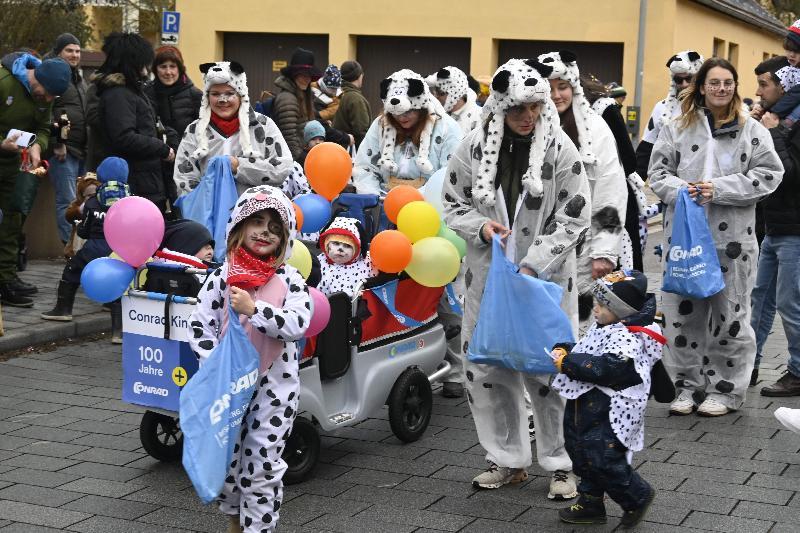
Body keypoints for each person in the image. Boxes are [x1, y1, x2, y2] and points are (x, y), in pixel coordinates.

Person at [442, 58, 591, 499]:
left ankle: (562, 463)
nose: (527, 118)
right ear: (499, 109)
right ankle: (505, 459)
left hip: (543, 281)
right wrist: (481, 227)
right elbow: (452, 204)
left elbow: (575, 213)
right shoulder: (471, 148)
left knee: (550, 369)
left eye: (534, 108)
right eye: (517, 110)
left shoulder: (561, 149)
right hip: (487, 278)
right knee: (487, 369)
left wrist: (535, 261)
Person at [649, 57, 784, 417]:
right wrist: (685, 190)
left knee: (731, 316)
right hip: (684, 241)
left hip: (734, 242)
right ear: (702, 86)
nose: (721, 89)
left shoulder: (752, 130)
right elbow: (657, 173)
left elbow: (771, 173)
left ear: (735, 86)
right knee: (681, 314)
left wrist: (718, 189)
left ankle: (724, 389)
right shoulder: (676, 126)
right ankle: (686, 386)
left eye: (728, 82)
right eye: (715, 82)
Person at [188, 185, 311, 533]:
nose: (264, 232)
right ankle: (234, 522)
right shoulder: (221, 277)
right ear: (238, 227)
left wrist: (256, 310)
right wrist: (215, 366)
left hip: (274, 390)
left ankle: (259, 528)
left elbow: (298, 323)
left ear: (285, 238)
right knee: (227, 464)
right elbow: (200, 325)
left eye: (274, 227)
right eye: (256, 221)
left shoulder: (289, 279)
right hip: (227, 389)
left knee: (262, 466)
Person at [551, 270, 660, 528]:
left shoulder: (627, 336)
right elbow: (588, 348)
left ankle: (637, 496)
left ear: (622, 310)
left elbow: (607, 367)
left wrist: (568, 363)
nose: (596, 309)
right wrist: (567, 349)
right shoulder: (606, 325)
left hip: (608, 409)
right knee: (581, 451)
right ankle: (590, 502)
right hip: (586, 404)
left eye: (602, 305)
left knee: (602, 456)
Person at [539, 51, 627, 322]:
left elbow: (610, 191)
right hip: (539, 250)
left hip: (584, 248)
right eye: (549, 88)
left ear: (573, 87)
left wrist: (603, 250)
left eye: (562, 87)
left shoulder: (595, 129)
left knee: (578, 326)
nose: (556, 96)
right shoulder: (530, 126)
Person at [0, 52, 71, 307]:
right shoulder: (5, 82)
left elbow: (42, 127)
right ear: (36, 77)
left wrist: (37, 146)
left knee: (13, 217)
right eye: (47, 92)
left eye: (54, 96)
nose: (49, 99)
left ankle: (6, 279)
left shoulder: (45, 95)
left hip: (15, 167)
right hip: (3, 153)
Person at [749, 56, 800, 396]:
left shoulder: (792, 125)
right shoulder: (774, 122)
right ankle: (747, 363)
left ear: (783, 87)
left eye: (765, 85)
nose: (758, 92)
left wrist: (773, 133)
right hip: (774, 228)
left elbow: (790, 174)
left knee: (790, 303)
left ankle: (797, 371)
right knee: (760, 299)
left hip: (795, 230)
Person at [41, 157, 130, 344]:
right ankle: (118, 332)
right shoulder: (130, 201)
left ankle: (63, 310)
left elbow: (85, 230)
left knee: (71, 271)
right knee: (119, 286)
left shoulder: (93, 201)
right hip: (119, 252)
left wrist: (79, 226)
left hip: (93, 249)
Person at [173, 61, 293, 197]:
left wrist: (239, 166)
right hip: (207, 216)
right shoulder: (195, 131)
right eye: (215, 94)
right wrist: (203, 206)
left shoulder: (263, 126)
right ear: (207, 96)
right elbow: (183, 179)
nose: (222, 100)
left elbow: (283, 168)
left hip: (254, 214)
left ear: (241, 95)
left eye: (230, 93)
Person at [88, 32, 174, 213]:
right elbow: (124, 137)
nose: (148, 67)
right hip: (135, 182)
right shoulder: (118, 94)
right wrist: (161, 148)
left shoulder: (131, 90)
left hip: (145, 179)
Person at [352, 69, 461, 195]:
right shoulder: (380, 125)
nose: (401, 117)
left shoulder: (447, 128)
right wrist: (373, 197)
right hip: (384, 200)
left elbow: (448, 175)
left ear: (422, 108)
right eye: (395, 113)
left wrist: (415, 198)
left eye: (409, 111)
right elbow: (365, 167)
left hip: (427, 206)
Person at [584, 76, 647, 272]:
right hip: (589, 199)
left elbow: (628, 159)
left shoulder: (606, 110)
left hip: (612, 193)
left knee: (618, 261)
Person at [143, 46, 203, 213]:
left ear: (180, 69)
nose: (168, 72)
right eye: (163, 67)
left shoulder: (195, 96)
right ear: (156, 69)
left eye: (172, 66)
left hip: (186, 165)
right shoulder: (146, 94)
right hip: (154, 165)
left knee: (183, 212)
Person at [636, 50, 704, 181]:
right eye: (679, 79)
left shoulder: (711, 108)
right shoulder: (661, 108)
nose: (684, 84)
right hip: (672, 183)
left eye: (689, 78)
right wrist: (635, 185)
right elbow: (646, 149)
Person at [48, 33, 89, 246]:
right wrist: (58, 143)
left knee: (80, 203)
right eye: (69, 50)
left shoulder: (77, 77)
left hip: (81, 150)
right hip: (64, 151)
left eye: (77, 51)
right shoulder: (54, 75)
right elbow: (48, 111)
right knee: (67, 202)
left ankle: (77, 247)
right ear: (59, 52)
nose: (74, 55)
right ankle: (69, 249)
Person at [272, 48, 322, 160]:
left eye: (309, 75)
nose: (307, 79)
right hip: (292, 161)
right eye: (303, 75)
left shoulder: (302, 96)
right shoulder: (287, 99)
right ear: (293, 75)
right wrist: (302, 159)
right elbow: (289, 137)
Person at [316, 217, 375, 297]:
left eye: (347, 245)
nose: (340, 249)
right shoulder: (318, 261)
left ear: (357, 249)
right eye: (336, 243)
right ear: (327, 244)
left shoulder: (367, 264)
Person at [426, 66, 481, 133]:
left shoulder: (479, 117)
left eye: (440, 93)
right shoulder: (436, 116)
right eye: (434, 93)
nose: (436, 97)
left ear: (455, 93)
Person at [333, 60, 371, 147]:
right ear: (359, 75)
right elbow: (361, 131)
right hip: (350, 152)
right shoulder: (355, 99)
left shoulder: (338, 93)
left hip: (337, 148)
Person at [64, 173, 101, 259]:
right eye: (89, 196)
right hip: (78, 240)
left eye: (95, 195)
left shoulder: (100, 206)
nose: (92, 198)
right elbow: (68, 216)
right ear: (82, 196)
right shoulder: (78, 204)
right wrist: (78, 211)